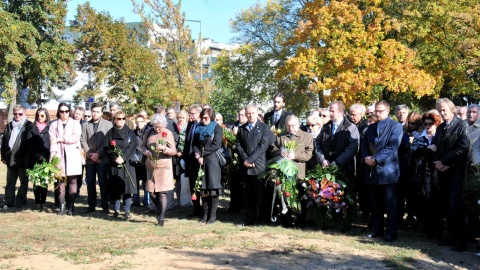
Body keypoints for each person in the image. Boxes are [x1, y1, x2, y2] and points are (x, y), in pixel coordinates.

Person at [361, 100, 403, 242]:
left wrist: (376, 158)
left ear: (388, 111)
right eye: (376, 111)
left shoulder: (396, 127)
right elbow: (364, 145)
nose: (377, 114)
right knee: (376, 204)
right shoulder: (371, 128)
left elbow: (393, 146)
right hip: (372, 170)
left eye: (380, 111)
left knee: (390, 204)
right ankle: (377, 229)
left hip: (388, 171)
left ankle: (391, 232)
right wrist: (366, 157)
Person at [432, 98, 470, 252]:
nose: (442, 112)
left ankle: (460, 240)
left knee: (454, 204)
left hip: (456, 170)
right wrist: (437, 162)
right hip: (443, 171)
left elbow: (463, 147)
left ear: (452, 109)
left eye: (444, 110)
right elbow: (435, 146)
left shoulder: (462, 125)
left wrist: (444, 161)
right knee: (446, 205)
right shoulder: (440, 127)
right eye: (440, 110)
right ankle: (452, 236)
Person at [236, 104, 274, 226]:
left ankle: (263, 218)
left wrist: (251, 160)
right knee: (248, 194)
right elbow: (238, 145)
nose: (250, 115)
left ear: (257, 113)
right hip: (245, 166)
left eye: (252, 113)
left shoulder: (264, 128)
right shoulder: (242, 129)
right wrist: (245, 160)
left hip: (258, 166)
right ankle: (249, 218)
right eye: (248, 113)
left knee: (261, 194)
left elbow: (263, 146)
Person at [272, 115, 313, 226]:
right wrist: (279, 153)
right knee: (285, 196)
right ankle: (286, 221)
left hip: (300, 173)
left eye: (293, 126)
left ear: (298, 124)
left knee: (301, 198)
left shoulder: (306, 136)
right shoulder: (281, 137)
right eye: (288, 126)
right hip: (284, 173)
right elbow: (273, 149)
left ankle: (301, 222)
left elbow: (309, 153)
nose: (291, 128)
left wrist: (295, 155)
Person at [409, 112, 442, 238]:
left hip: (436, 173)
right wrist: (428, 149)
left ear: (436, 124)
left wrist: (427, 151)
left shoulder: (439, 137)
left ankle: (436, 229)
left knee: (435, 201)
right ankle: (425, 227)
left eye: (430, 123)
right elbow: (413, 152)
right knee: (422, 200)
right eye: (425, 124)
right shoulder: (418, 136)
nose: (428, 126)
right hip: (421, 173)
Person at [141, 115, 176, 227]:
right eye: (156, 127)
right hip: (151, 166)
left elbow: (173, 151)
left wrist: (164, 149)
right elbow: (142, 146)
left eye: (160, 127)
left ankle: (161, 217)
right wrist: (146, 151)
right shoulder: (148, 132)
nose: (157, 129)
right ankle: (161, 209)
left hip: (164, 166)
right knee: (151, 192)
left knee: (161, 192)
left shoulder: (168, 133)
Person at [49, 103, 83, 215]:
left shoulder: (75, 123)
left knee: (73, 180)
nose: (64, 113)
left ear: (70, 112)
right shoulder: (53, 125)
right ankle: (62, 206)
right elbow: (52, 140)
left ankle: (71, 206)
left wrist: (60, 139)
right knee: (60, 181)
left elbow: (74, 138)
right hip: (58, 154)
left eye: (66, 111)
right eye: (62, 111)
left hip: (72, 154)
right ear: (58, 112)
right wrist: (53, 154)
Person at [81, 102, 113, 213]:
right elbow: (82, 139)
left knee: (103, 183)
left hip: (102, 159)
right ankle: (91, 205)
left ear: (101, 112)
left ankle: (105, 206)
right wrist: (90, 154)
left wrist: (98, 154)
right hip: (90, 159)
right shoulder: (85, 125)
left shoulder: (108, 125)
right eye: (93, 111)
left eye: (97, 112)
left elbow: (108, 142)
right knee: (90, 183)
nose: (95, 114)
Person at [193, 108, 224, 224]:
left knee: (213, 189)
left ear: (211, 117)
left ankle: (212, 215)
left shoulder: (217, 127)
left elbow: (216, 145)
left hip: (212, 162)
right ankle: (205, 214)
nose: (204, 120)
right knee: (203, 189)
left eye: (206, 118)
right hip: (201, 162)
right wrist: (197, 154)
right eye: (202, 117)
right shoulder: (198, 128)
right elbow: (195, 143)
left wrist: (202, 154)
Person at [104, 111, 138, 219]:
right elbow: (107, 147)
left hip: (127, 163)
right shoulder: (110, 133)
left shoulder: (130, 132)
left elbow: (133, 146)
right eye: (118, 119)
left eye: (123, 118)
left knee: (127, 188)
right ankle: (117, 209)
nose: (121, 121)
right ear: (114, 120)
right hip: (115, 164)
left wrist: (123, 158)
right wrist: (115, 158)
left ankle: (127, 210)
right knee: (115, 187)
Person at [315, 101, 360, 179]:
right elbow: (317, 144)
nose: (330, 113)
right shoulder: (325, 127)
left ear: (341, 112)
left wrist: (337, 162)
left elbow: (353, 148)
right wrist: (322, 159)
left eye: (332, 111)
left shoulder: (350, 127)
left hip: (344, 171)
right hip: (326, 169)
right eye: (329, 111)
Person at [1, 104, 33, 209]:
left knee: (23, 182)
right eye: (15, 114)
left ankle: (20, 201)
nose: (17, 116)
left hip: (23, 159)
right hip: (10, 158)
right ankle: (9, 200)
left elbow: (30, 142)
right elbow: (4, 141)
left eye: (20, 114)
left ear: (24, 114)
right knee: (10, 181)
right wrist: (3, 156)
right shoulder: (9, 125)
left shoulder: (29, 125)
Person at [26, 108, 51, 211]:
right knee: (36, 181)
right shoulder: (32, 127)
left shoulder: (50, 128)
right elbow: (29, 143)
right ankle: (37, 202)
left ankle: (43, 201)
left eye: (42, 116)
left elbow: (51, 143)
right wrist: (36, 154)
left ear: (46, 116)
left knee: (44, 181)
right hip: (34, 158)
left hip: (46, 158)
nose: (40, 118)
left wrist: (45, 156)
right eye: (38, 115)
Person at [182, 104, 203, 216]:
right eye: (190, 113)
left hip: (199, 158)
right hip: (189, 159)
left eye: (193, 113)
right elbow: (187, 142)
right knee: (192, 184)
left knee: (198, 184)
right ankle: (195, 209)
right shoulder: (190, 124)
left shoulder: (203, 124)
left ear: (199, 113)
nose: (191, 116)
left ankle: (202, 209)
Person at [132, 114, 150, 208]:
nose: (139, 124)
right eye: (137, 122)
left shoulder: (147, 132)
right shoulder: (133, 133)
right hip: (135, 160)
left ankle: (146, 201)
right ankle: (136, 201)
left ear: (145, 122)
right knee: (135, 182)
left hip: (145, 159)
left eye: (141, 122)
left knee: (146, 182)